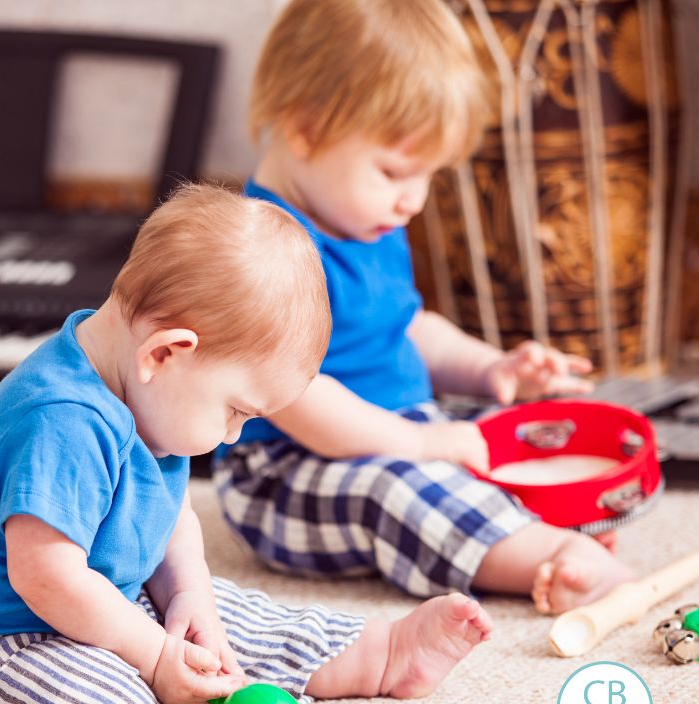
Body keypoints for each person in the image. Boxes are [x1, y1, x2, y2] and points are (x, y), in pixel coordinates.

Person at [0, 184, 493, 704]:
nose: (231, 435)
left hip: (96, 605)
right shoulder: (61, 421)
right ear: (166, 353)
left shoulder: (145, 394)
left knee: (228, 619)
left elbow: (168, 515)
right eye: (236, 411)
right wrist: (154, 658)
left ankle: (378, 655)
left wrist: (189, 596)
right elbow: (46, 575)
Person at [213, 0, 635, 618]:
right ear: (304, 127)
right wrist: (420, 442)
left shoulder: (368, 222)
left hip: (395, 426)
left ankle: (525, 521)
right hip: (284, 469)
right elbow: (299, 399)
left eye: (428, 176)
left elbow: (407, 326)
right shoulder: (261, 250)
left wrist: (490, 368)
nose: (413, 200)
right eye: (394, 172)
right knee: (395, 488)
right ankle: (543, 556)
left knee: (500, 435)